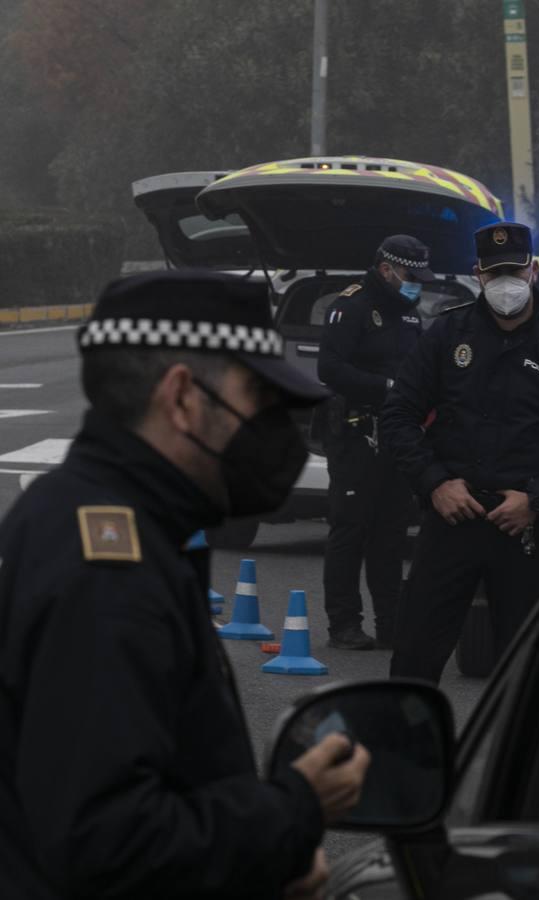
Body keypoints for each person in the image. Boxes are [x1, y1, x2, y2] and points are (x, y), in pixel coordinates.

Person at [0, 271, 371, 900]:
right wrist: (291, 813)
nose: (279, 430)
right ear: (182, 397)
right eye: (258, 397)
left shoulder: (98, 515)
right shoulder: (108, 572)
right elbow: (105, 842)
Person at [382, 222, 539, 683]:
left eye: (515, 270)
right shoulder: (447, 336)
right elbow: (398, 417)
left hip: (525, 528)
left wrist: (538, 499)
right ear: (478, 275)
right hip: (452, 518)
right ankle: (407, 752)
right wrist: (434, 483)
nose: (506, 282)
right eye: (494, 272)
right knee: (413, 660)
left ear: (534, 271)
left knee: (527, 672)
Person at [316, 235, 429, 650]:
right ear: (387, 270)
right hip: (355, 431)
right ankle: (343, 624)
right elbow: (329, 368)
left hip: (398, 436)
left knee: (391, 533)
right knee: (350, 528)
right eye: (411, 276)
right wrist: (386, 386)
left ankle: (391, 623)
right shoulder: (352, 306)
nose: (417, 284)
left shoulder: (410, 314)